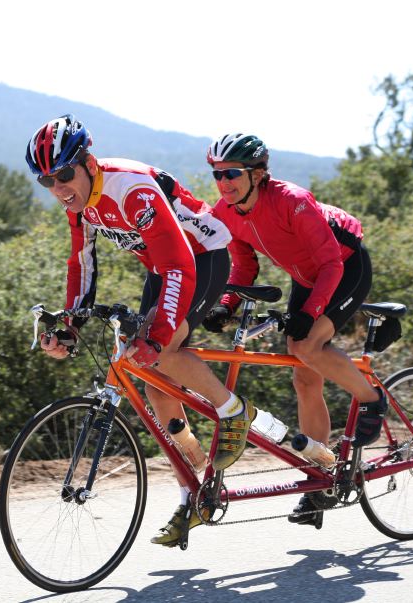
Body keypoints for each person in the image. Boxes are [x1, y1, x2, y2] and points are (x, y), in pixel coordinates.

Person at [26, 114, 251, 546]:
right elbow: (82, 265)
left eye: (63, 176)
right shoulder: (79, 203)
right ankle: (194, 483)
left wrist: (159, 335)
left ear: (88, 162)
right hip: (163, 266)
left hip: (201, 256)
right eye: (45, 182)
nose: (57, 189)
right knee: (149, 377)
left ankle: (231, 410)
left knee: (161, 351)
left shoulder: (131, 190)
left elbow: (181, 264)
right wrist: (71, 324)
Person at [200, 133, 388, 526]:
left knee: (307, 345)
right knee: (303, 379)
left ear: (258, 174)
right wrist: (226, 306)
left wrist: (312, 312)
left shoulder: (292, 201)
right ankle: (319, 480)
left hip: (344, 267)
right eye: (217, 174)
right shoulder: (226, 212)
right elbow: (244, 267)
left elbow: (332, 265)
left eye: (232, 173)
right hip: (307, 277)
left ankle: (372, 399)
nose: (224, 182)